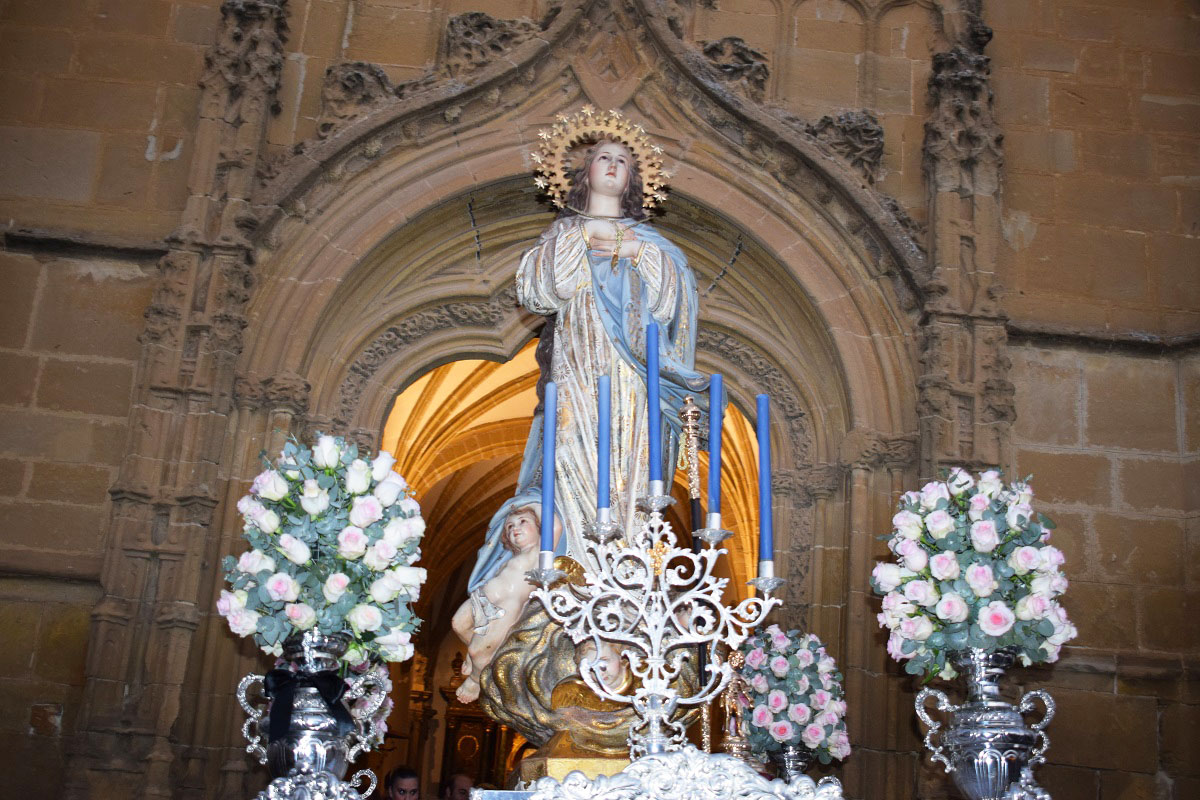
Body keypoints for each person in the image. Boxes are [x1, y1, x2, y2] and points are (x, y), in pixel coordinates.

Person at [465, 129, 708, 618]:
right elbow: (540, 291)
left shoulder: (654, 244)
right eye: (603, 157)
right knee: (572, 457)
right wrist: (582, 237)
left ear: (635, 179)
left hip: (632, 380)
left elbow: (676, 301)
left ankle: (626, 583)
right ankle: (571, 582)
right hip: (578, 368)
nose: (613, 165)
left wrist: (634, 250)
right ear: (586, 173)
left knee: (629, 473)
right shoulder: (561, 235)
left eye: (623, 159)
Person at [450, 504, 552, 703]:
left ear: (540, 527)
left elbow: (554, 525)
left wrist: (530, 502)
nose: (515, 528)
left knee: (478, 649)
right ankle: (477, 659)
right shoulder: (512, 557)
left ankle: (475, 679)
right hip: (485, 597)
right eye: (510, 526)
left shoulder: (540, 552)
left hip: (507, 606)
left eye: (523, 522)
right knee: (458, 624)